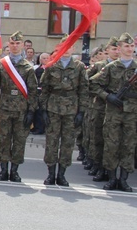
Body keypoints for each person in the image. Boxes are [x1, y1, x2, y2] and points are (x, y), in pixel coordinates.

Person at [90, 32, 137, 192]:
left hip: (132, 113)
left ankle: (123, 180)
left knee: (128, 146)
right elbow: (93, 84)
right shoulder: (110, 67)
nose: (129, 49)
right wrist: (108, 96)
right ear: (120, 48)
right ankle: (111, 178)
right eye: (126, 46)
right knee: (111, 145)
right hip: (113, 112)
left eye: (131, 46)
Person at [39, 36, 88, 186]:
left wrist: (81, 112)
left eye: (69, 46)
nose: (66, 50)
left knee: (67, 143)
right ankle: (51, 174)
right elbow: (44, 89)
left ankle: (62, 174)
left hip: (71, 110)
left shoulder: (79, 67)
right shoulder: (51, 65)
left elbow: (84, 90)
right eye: (63, 46)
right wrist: (43, 110)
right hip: (53, 108)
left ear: (73, 48)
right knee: (52, 142)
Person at [0, 31, 38, 182]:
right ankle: (3, 170)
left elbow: (33, 91)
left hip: (21, 109)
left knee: (19, 141)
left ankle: (15, 171)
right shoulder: (1, 64)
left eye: (17, 43)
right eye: (12, 43)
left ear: (22, 45)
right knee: (4, 139)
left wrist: (31, 111)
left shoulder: (28, 67)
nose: (14, 46)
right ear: (8, 44)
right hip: (5, 107)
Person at [86, 37, 119, 181]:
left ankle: (111, 170)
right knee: (98, 139)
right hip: (100, 107)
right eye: (113, 49)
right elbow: (88, 83)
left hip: (118, 110)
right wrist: (104, 95)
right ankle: (99, 167)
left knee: (114, 141)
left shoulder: (125, 66)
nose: (116, 52)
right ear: (107, 51)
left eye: (118, 48)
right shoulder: (100, 66)